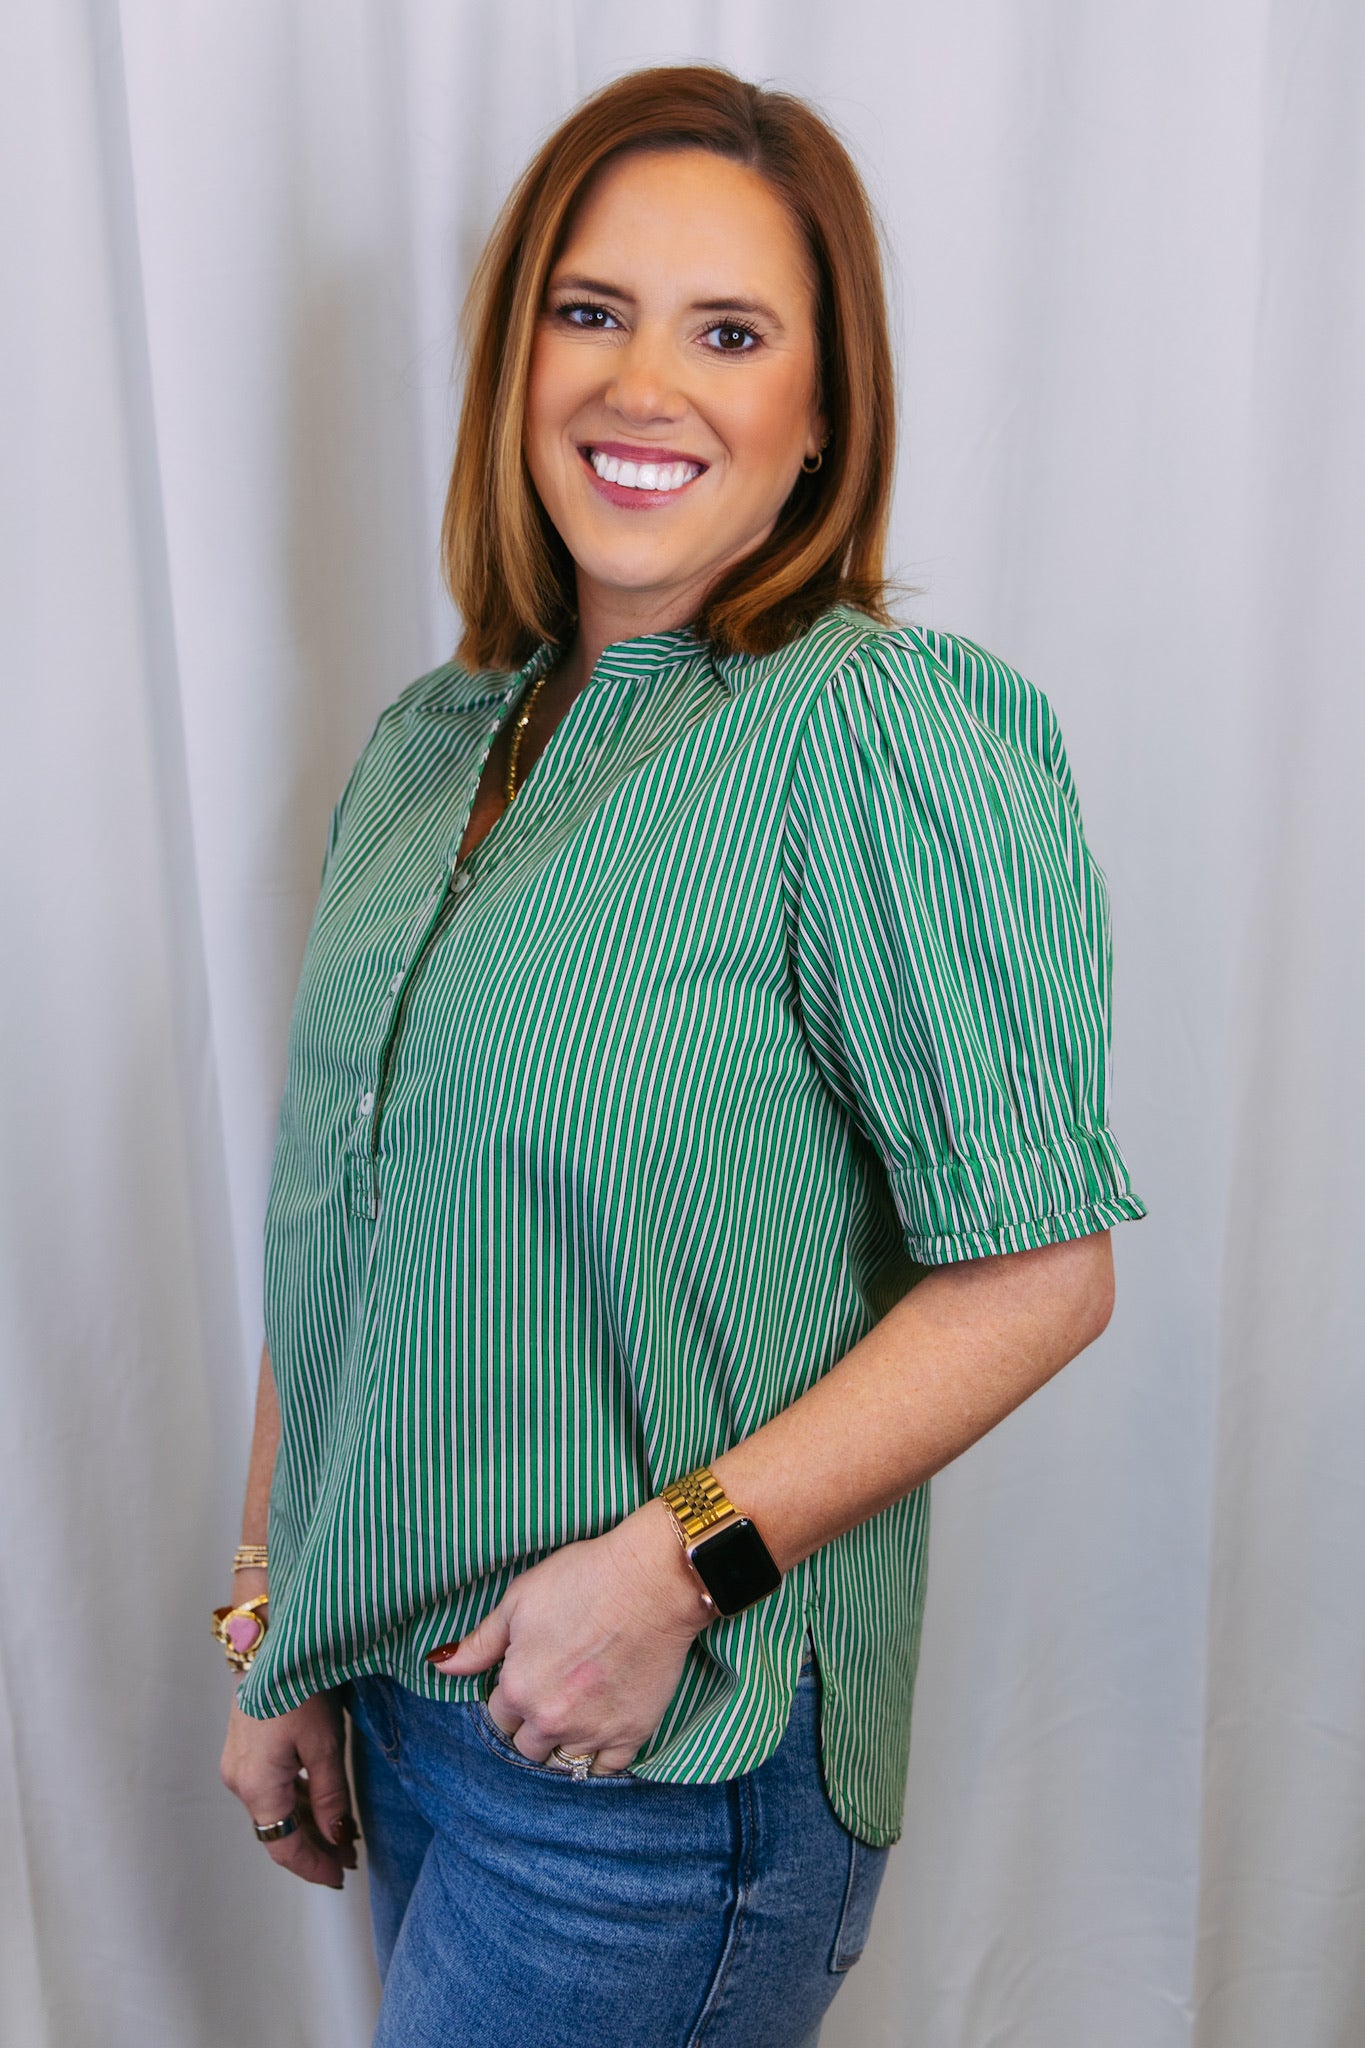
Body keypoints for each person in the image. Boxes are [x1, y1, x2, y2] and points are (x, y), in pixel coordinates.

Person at [217, 64, 1146, 2048]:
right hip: (403, 1703)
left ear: (819, 416)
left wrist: (670, 1567)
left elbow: (1039, 1265)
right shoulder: (420, 752)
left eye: (729, 332)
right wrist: (275, 1610)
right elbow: (359, 1218)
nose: (644, 383)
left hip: (656, 1772)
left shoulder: (876, 737)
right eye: (590, 309)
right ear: (512, 357)